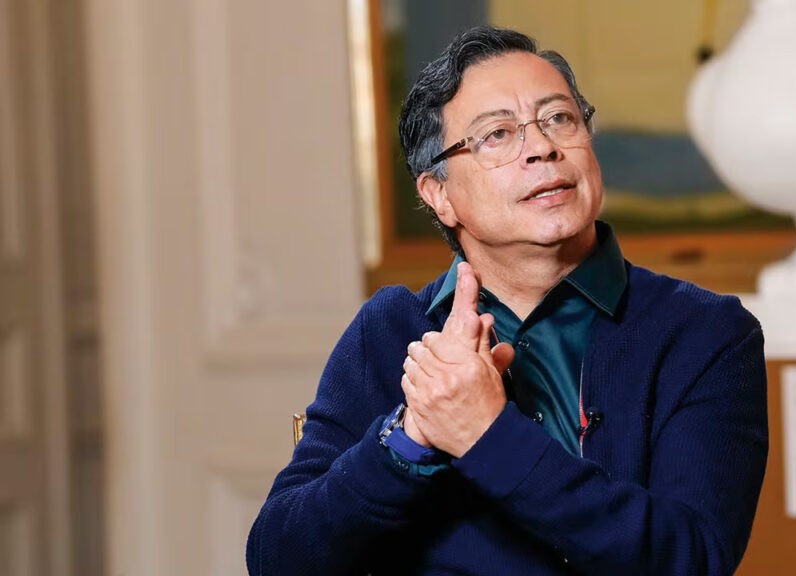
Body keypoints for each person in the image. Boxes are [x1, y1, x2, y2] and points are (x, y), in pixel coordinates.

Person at [247, 26, 768, 576]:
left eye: (559, 118)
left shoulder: (704, 331)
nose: (542, 147)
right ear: (439, 195)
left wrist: (485, 435)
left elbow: (692, 558)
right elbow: (279, 558)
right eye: (497, 134)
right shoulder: (393, 329)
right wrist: (412, 437)